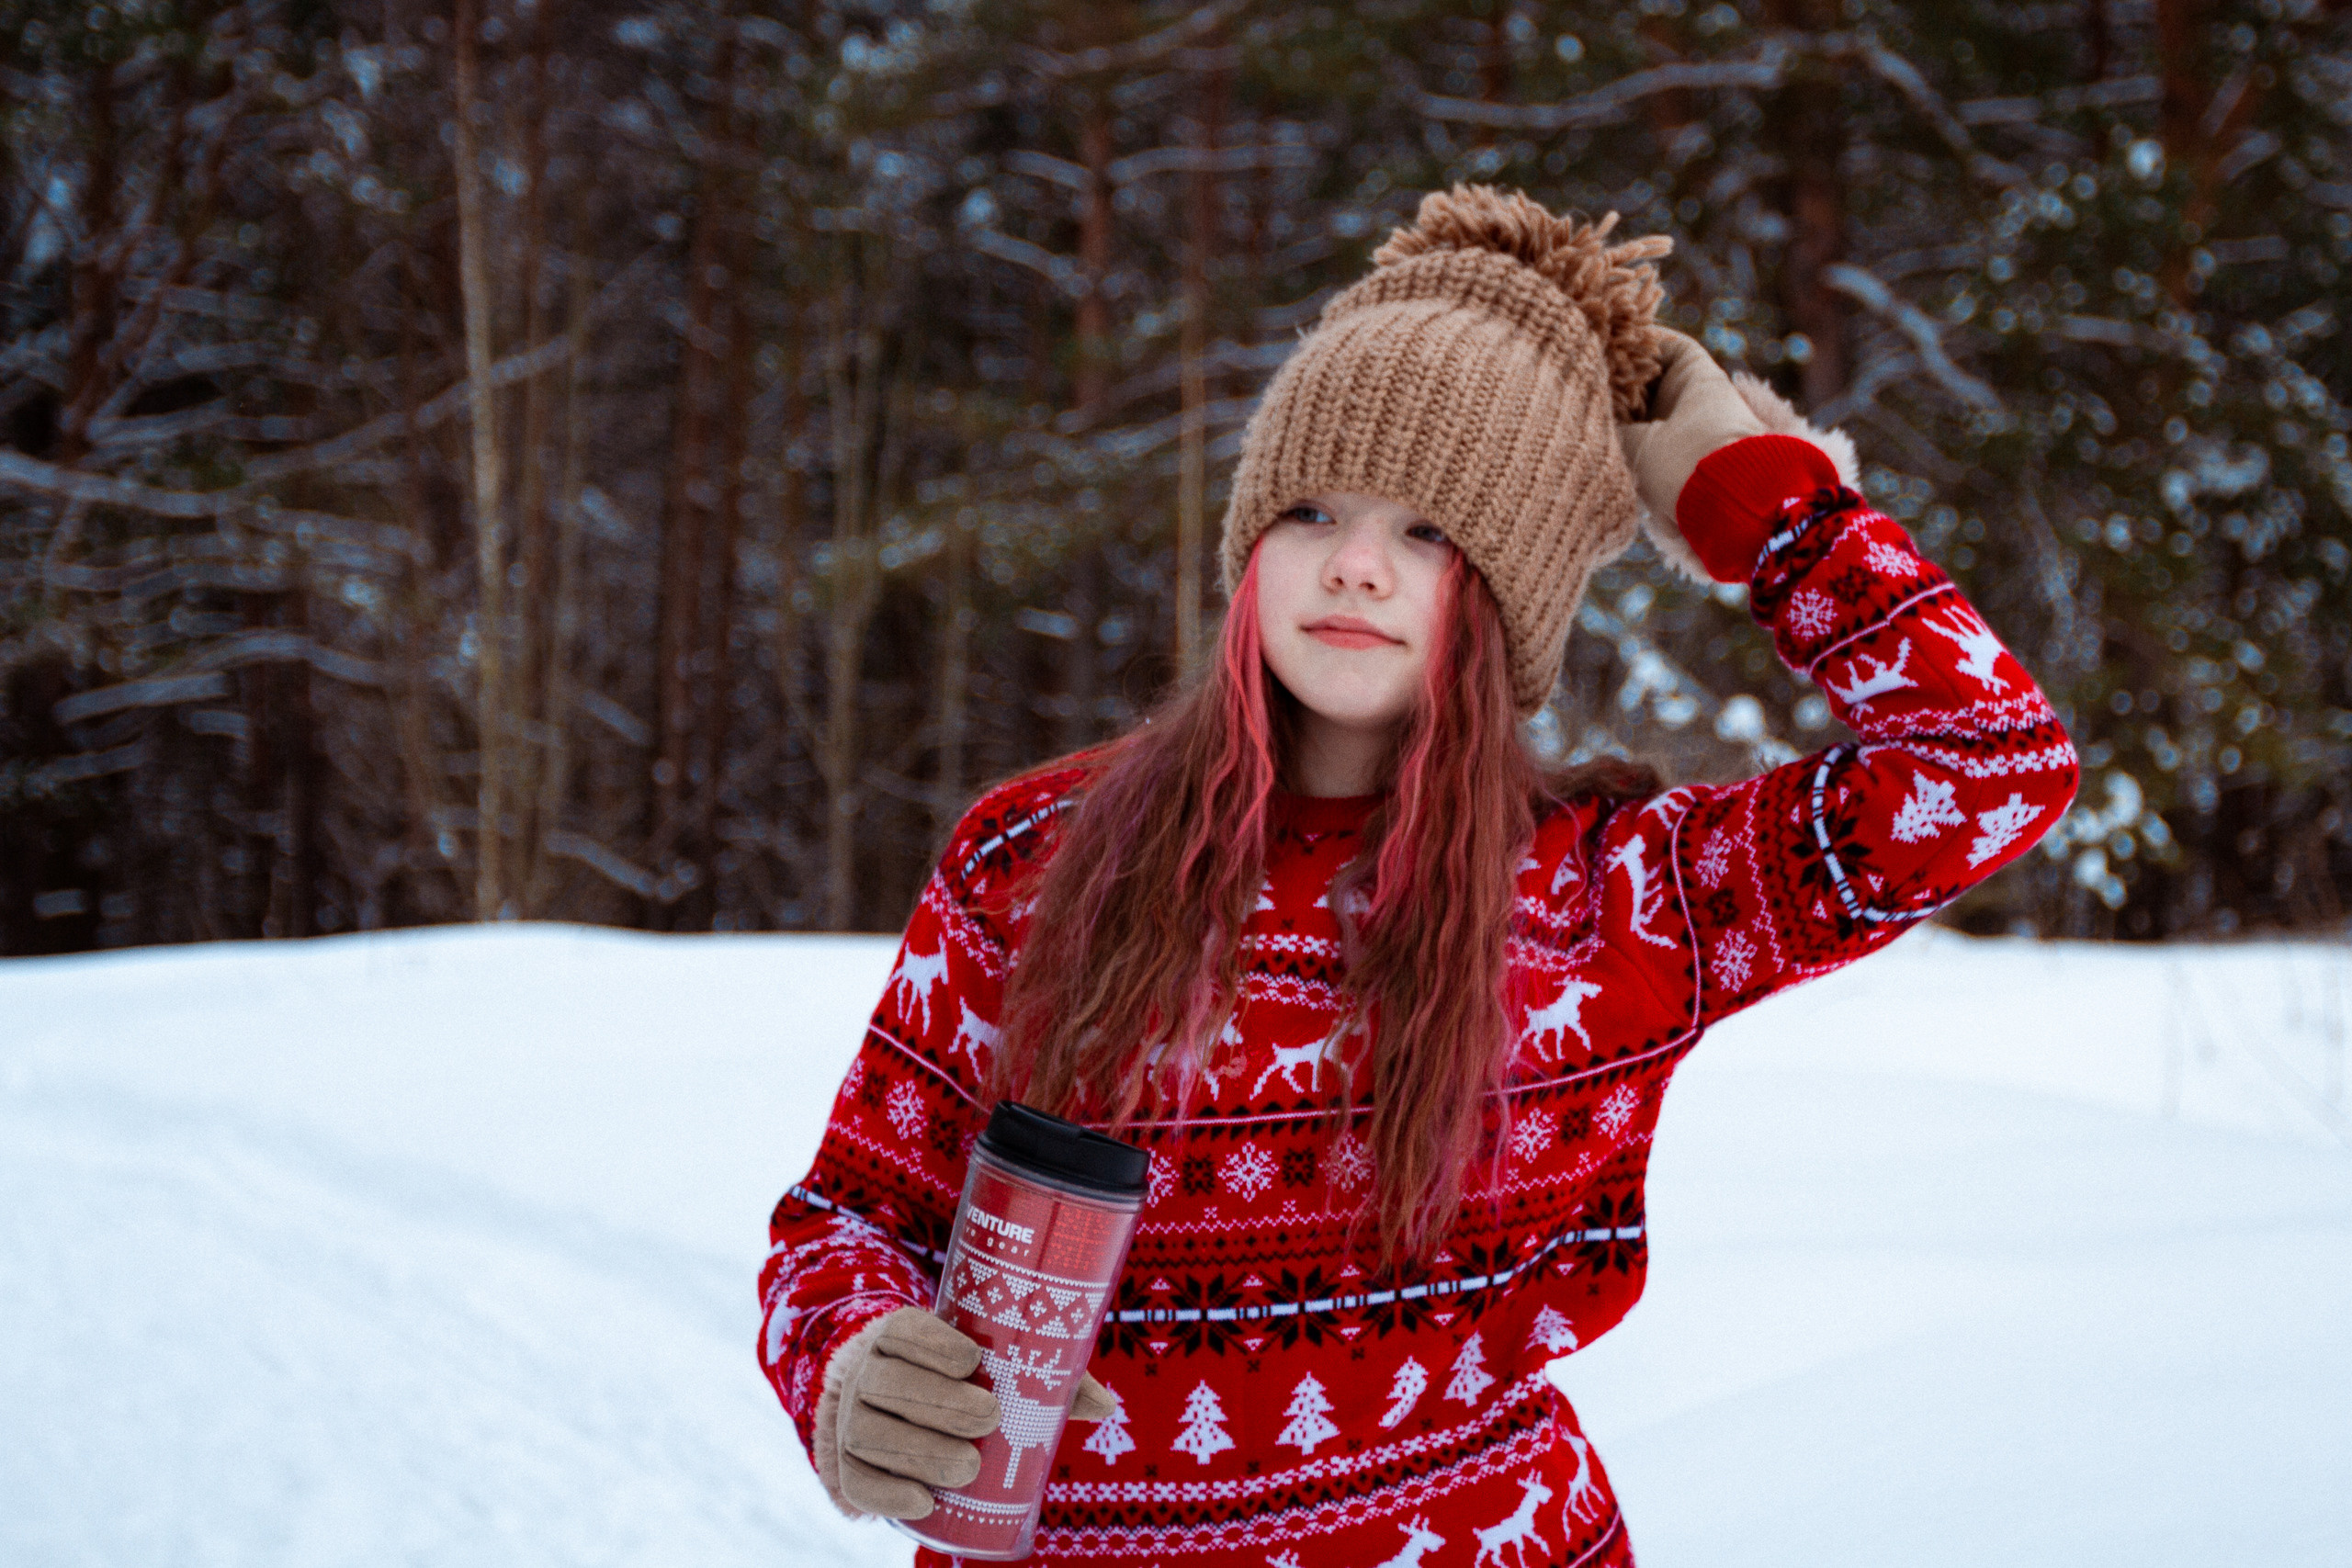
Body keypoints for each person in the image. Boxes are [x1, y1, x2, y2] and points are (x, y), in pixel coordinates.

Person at [758, 185, 2078, 1567]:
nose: (1356, 568)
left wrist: (1762, 504)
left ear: (1512, 593)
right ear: (1250, 549)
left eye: (1431, 531)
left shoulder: (1623, 897)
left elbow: (1991, 760)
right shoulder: (1034, 855)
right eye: (1311, 509)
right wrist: (852, 1360)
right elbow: (849, 1219)